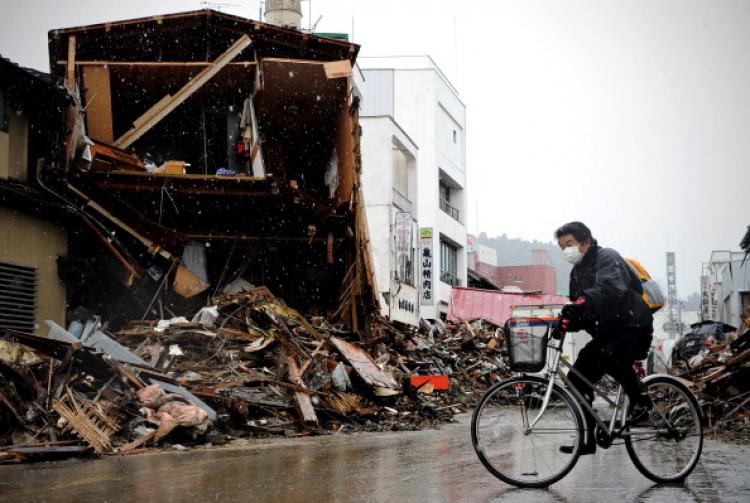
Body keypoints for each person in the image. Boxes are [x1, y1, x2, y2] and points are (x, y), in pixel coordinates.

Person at [555, 221, 654, 455]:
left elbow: (610, 288)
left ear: (585, 242)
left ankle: (640, 402)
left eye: (569, 244)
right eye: (561, 247)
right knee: (576, 379)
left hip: (633, 327)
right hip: (606, 332)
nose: (565, 250)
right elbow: (584, 309)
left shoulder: (607, 257)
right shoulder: (576, 273)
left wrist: (583, 301)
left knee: (611, 355)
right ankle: (586, 440)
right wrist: (568, 322)